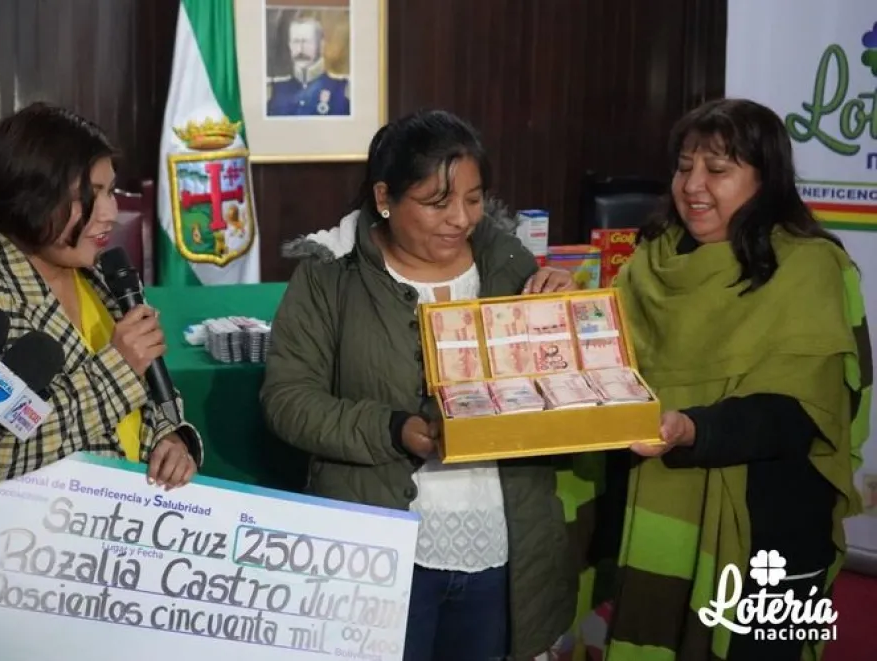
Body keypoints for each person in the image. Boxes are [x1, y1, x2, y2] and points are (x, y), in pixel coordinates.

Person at [260, 109, 577, 661]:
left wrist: (563, 311)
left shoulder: (508, 264)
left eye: (474, 200)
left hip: (499, 547)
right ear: (385, 197)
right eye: (438, 203)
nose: (461, 219)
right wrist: (391, 429)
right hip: (380, 551)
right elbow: (288, 400)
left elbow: (550, 384)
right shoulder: (331, 275)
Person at [603, 98, 871, 660]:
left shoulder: (811, 267)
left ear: (765, 178)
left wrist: (690, 430)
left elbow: (803, 414)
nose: (693, 184)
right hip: (663, 503)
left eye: (718, 170)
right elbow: (606, 360)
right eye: (683, 166)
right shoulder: (653, 260)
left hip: (775, 524)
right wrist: (566, 301)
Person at [0, 102, 202, 488]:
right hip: (31, 535)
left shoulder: (107, 279)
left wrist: (172, 438)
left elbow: (156, 400)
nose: (110, 212)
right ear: (30, 195)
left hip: (129, 523)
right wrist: (120, 367)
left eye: (111, 191)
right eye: (91, 196)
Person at [266, 14, 350, 117]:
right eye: (296, 42)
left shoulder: (343, 90)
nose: (300, 49)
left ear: (321, 44)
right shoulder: (273, 91)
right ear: (289, 45)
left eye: (307, 42)